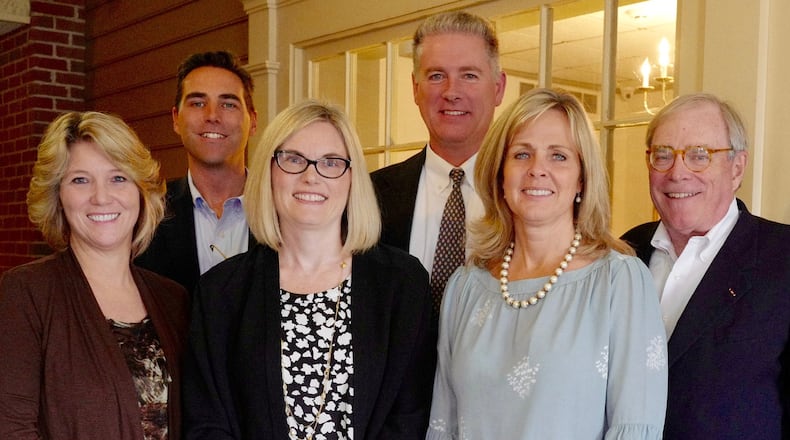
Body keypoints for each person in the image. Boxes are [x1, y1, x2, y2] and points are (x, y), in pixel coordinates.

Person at [182, 100, 436, 439]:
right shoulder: (220, 292)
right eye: (293, 159)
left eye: (331, 162)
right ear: (269, 172)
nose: (310, 176)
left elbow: (409, 417)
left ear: (351, 178)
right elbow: (206, 423)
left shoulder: (401, 284)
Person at [427, 88, 668, 439]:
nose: (537, 170)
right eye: (522, 154)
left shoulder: (620, 282)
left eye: (558, 156)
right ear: (500, 175)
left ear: (582, 178)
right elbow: (442, 425)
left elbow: (636, 428)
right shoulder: (465, 288)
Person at [0, 111, 189, 440]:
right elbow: (11, 427)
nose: (101, 197)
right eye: (80, 180)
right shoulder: (26, 293)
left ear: (140, 191)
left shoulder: (173, 300)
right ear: (58, 195)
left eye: (118, 178)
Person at [621, 93, 790, 439]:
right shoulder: (623, 252)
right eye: (662, 155)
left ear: (737, 168)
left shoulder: (782, 258)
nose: (677, 173)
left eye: (700, 156)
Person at [371, 11, 507, 312]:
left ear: (498, 88)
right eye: (436, 76)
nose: (451, 92)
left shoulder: (524, 195)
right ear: (415, 88)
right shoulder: (370, 194)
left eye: (469, 75)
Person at [135, 50, 258, 294]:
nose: (212, 115)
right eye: (198, 103)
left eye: (228, 104)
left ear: (252, 121)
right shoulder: (145, 215)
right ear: (175, 119)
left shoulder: (286, 212)